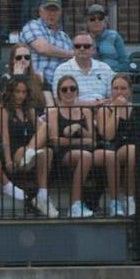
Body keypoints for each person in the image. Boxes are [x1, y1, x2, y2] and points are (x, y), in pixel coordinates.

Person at [44, 74, 111, 218]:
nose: (69, 92)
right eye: (64, 89)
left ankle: (116, 202)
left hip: (87, 149)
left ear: (77, 91)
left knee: (110, 156)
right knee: (85, 156)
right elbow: (54, 140)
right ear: (58, 92)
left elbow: (93, 140)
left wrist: (81, 130)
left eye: (72, 88)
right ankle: (75, 204)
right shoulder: (53, 112)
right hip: (62, 153)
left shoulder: (85, 111)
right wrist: (81, 141)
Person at [0, 74, 51, 217]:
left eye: (23, 92)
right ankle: (29, 153)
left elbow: (44, 130)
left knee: (46, 139)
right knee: (25, 149)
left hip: (31, 152)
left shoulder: (29, 110)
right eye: (17, 92)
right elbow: (5, 138)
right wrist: (8, 160)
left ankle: (43, 194)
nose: (20, 95)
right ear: (11, 92)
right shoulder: (3, 111)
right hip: (16, 154)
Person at [98, 73, 140, 217]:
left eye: (123, 88)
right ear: (111, 90)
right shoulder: (104, 110)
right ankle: (127, 199)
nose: (119, 92)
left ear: (130, 91)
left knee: (137, 151)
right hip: (115, 148)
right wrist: (117, 110)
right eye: (116, 88)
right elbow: (108, 135)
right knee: (133, 150)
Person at [19, 0, 73, 87]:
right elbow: (42, 48)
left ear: (60, 12)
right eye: (48, 10)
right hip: (36, 84)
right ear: (40, 11)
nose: (51, 14)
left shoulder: (65, 37)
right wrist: (71, 54)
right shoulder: (32, 25)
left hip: (60, 87)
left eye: (55, 10)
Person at [53, 31, 114, 104]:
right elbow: (58, 100)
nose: (82, 49)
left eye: (86, 46)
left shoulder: (105, 68)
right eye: (77, 46)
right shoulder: (61, 70)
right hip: (73, 113)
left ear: (94, 50)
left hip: (103, 111)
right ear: (73, 49)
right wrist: (90, 104)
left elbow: (113, 97)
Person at [85, 4, 130, 72]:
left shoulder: (114, 36)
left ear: (105, 21)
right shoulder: (83, 39)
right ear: (87, 22)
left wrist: (112, 72)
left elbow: (124, 62)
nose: (96, 21)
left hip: (114, 75)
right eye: (92, 19)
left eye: (100, 18)